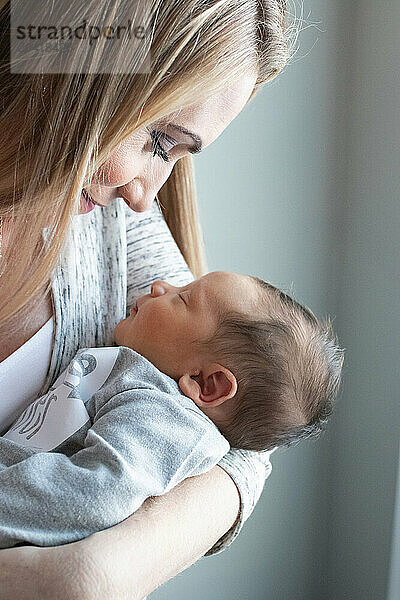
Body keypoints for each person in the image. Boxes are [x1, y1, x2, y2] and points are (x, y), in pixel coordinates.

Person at [0, 1, 297, 598]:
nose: (143, 195)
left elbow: (244, 435)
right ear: (80, 74)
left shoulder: (108, 224)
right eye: (160, 141)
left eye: (176, 156)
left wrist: (91, 575)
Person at [0, 270, 343, 549]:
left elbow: (93, 494)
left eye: (182, 297)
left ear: (206, 384)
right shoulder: (150, 389)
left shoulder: (166, 419)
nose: (160, 284)